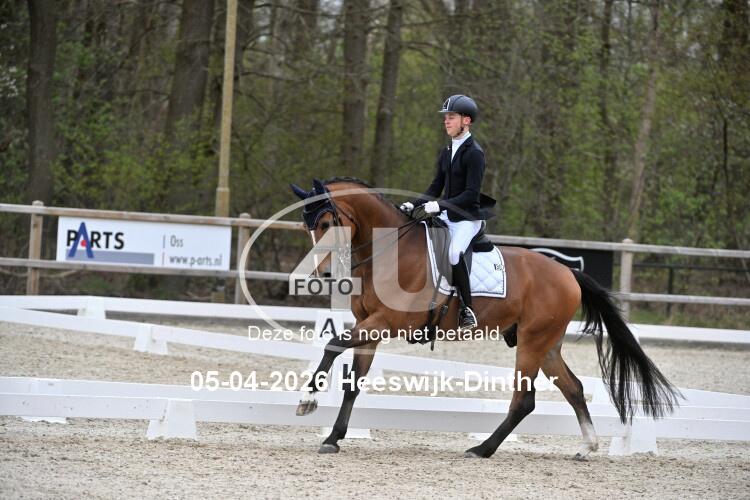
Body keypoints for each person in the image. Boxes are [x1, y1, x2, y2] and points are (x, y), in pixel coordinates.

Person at [400, 94, 495, 332]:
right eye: (446, 117)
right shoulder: (447, 151)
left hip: (466, 219)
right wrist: (413, 204)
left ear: (466, 121)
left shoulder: (475, 153)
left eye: (451, 117)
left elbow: (471, 194)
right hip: (446, 216)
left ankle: (467, 309)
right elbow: (435, 187)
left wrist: (439, 206)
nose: (446, 121)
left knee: (453, 254)